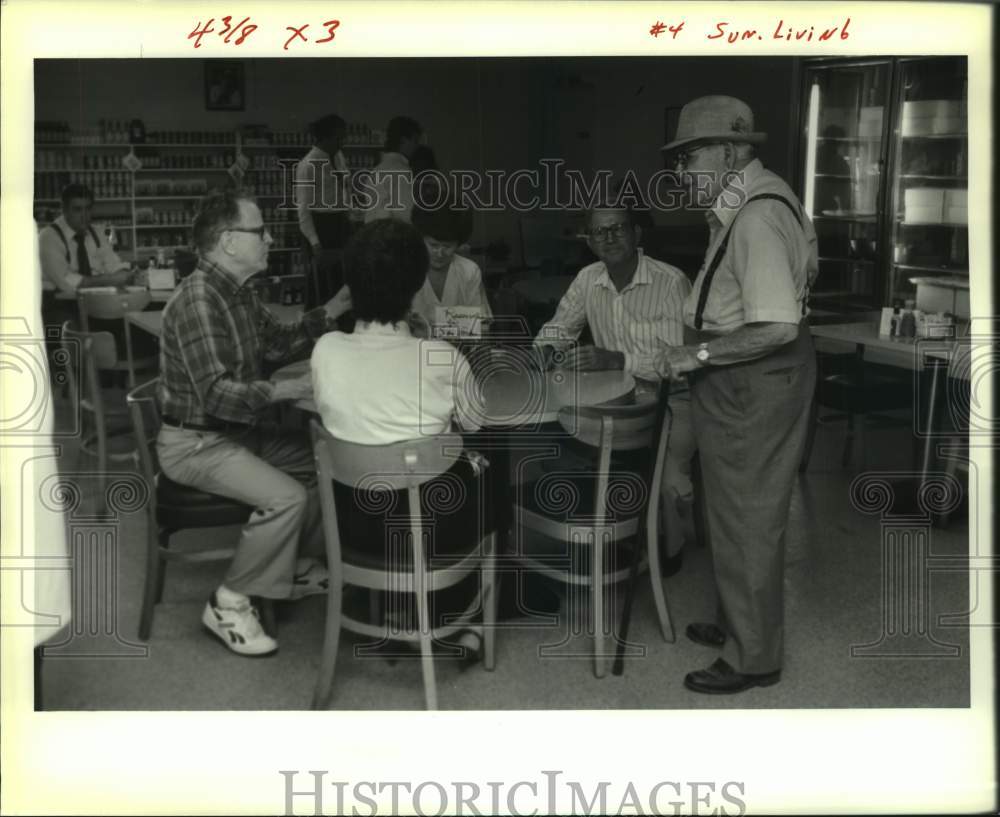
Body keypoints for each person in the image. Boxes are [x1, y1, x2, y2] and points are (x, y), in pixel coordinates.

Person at [656, 95, 818, 694]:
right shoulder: (755, 199)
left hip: (752, 377)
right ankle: (736, 622)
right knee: (728, 507)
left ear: (731, 151)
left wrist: (693, 353)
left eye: (690, 156)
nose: (680, 172)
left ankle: (754, 658)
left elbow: (775, 326)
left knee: (747, 516)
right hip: (740, 375)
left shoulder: (755, 216)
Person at [155, 188, 353, 657]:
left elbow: (279, 343)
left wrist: (335, 308)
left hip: (237, 434)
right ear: (228, 242)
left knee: (329, 461)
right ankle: (229, 601)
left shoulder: (239, 293)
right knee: (285, 497)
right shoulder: (200, 300)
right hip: (197, 444)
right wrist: (287, 390)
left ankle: (291, 566)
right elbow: (219, 396)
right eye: (258, 230)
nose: (268, 238)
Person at [310, 219, 487, 658]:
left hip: (355, 525)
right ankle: (469, 615)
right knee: (482, 466)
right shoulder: (442, 357)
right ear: (415, 285)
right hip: (433, 531)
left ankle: (393, 604)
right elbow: (478, 423)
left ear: (351, 285)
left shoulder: (325, 349)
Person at [533, 204, 696, 573]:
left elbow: (676, 362)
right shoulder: (589, 278)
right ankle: (607, 533)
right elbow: (559, 328)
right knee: (559, 448)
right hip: (613, 402)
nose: (609, 238)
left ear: (637, 234)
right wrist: (545, 350)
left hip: (672, 400)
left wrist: (617, 359)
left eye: (618, 228)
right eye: (599, 232)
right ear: (589, 241)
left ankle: (663, 549)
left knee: (670, 483)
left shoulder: (670, 281)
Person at [294, 113, 353, 306]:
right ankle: (318, 325)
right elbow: (303, 209)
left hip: (340, 222)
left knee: (343, 279)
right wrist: (315, 243)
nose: (342, 142)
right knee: (321, 283)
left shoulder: (337, 156)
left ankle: (344, 324)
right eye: (338, 138)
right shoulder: (307, 165)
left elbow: (345, 185)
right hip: (321, 226)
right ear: (325, 137)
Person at [409, 203, 493, 335]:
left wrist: (428, 329)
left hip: (457, 352)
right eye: (433, 245)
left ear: (458, 244)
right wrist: (459, 323)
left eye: (447, 246)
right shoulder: (406, 269)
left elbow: (481, 327)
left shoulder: (469, 271)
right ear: (421, 239)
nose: (440, 253)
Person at [362, 116, 423, 224]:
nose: (417, 146)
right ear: (404, 141)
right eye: (415, 141)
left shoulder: (377, 169)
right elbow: (406, 213)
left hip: (372, 232)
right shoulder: (401, 170)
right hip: (392, 235)